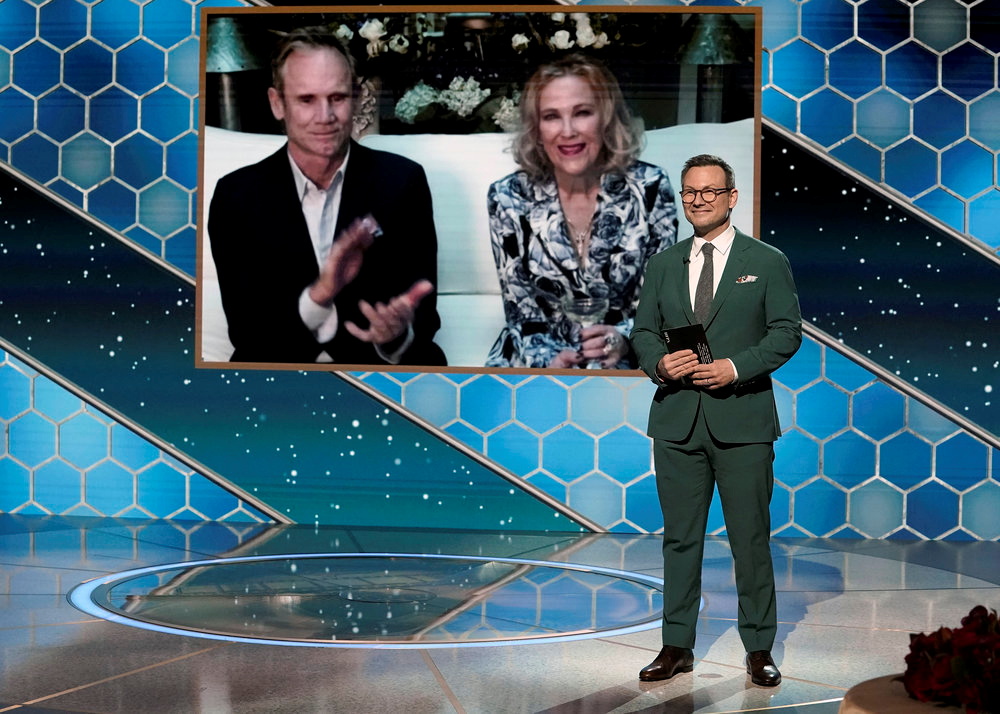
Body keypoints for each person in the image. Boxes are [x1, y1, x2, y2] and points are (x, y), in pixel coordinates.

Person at [630, 154, 802, 686]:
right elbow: (641, 334)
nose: (698, 199)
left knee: (750, 540)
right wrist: (659, 362)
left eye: (709, 191)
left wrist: (734, 367)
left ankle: (758, 648)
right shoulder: (663, 263)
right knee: (680, 540)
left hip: (743, 423)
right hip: (677, 422)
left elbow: (786, 332)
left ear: (731, 197)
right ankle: (676, 644)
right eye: (689, 192)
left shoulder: (766, 260)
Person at [207, 27, 446, 366]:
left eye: (337, 98)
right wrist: (320, 295)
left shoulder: (402, 182)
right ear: (277, 103)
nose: (325, 117)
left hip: (379, 371)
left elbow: (422, 315)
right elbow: (249, 332)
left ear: (357, 97)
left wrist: (394, 335)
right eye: (307, 100)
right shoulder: (237, 196)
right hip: (279, 376)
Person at [486, 53, 677, 369]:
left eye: (582, 112)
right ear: (536, 129)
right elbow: (520, 308)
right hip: (535, 357)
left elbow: (661, 302)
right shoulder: (507, 196)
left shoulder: (651, 186)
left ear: (606, 118)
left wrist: (624, 340)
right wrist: (548, 361)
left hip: (625, 357)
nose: (568, 130)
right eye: (551, 117)